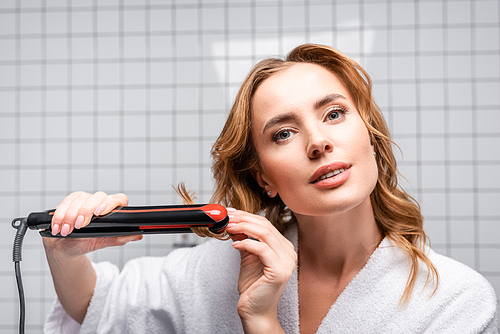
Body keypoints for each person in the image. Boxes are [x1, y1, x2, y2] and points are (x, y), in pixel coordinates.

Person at [43, 44, 498, 334]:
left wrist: (260, 321)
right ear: (264, 177)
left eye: (334, 113)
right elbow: (99, 308)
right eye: (283, 133)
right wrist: (64, 252)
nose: (318, 141)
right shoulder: (219, 271)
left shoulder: (454, 298)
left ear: (371, 135)